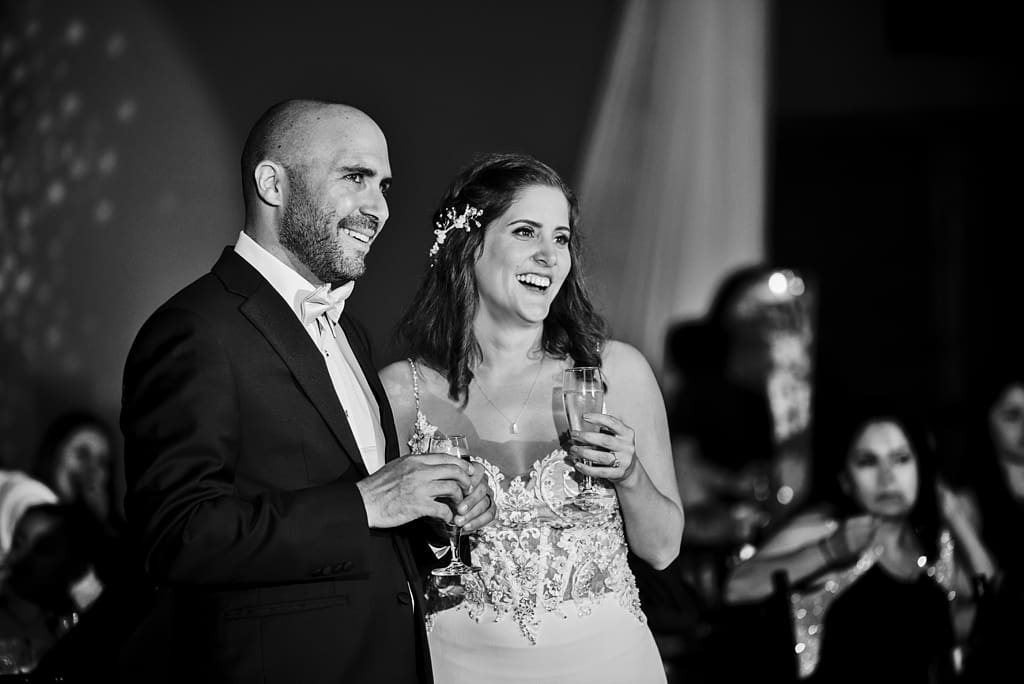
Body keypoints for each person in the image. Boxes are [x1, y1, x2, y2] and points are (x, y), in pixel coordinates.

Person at [120, 100, 496, 684]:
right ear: (273, 184)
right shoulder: (196, 328)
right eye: (355, 178)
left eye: (384, 185)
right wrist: (366, 503)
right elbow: (178, 535)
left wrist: (434, 514)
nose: (379, 208)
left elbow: (366, 525)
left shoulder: (351, 332)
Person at [380, 152, 683, 684]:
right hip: (461, 664)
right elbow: (382, 559)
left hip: (611, 663)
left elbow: (662, 550)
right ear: (468, 246)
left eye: (562, 238)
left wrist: (630, 475)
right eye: (526, 232)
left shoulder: (615, 372)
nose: (550, 256)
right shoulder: (403, 393)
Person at [724, 409, 995, 683]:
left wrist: (955, 516)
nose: (887, 477)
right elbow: (737, 587)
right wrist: (828, 551)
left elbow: (990, 601)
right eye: (868, 462)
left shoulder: (934, 548)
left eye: (901, 459)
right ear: (845, 479)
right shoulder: (829, 529)